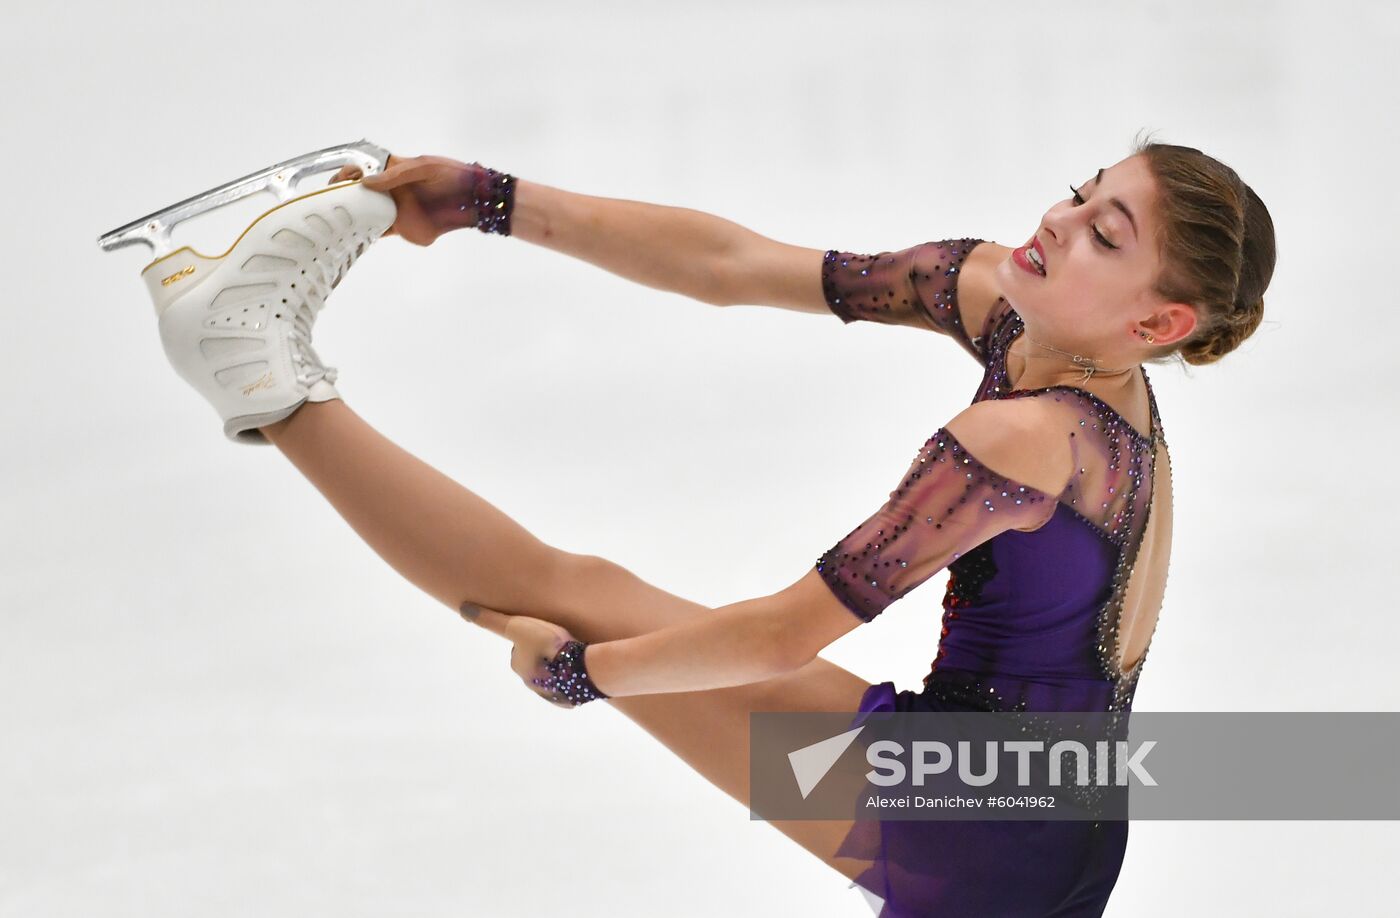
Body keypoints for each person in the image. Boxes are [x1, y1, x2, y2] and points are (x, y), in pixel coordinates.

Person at [140, 134, 1275, 916]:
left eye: (1102, 233)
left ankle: (250, 363)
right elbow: (731, 266)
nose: (1057, 220)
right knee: (572, 580)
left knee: (573, 595)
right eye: (1080, 191)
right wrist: (487, 198)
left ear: (1157, 318)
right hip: (1034, 800)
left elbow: (782, 633)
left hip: (986, 816)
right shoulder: (1001, 303)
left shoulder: (1028, 441)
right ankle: (257, 366)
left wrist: (592, 676)